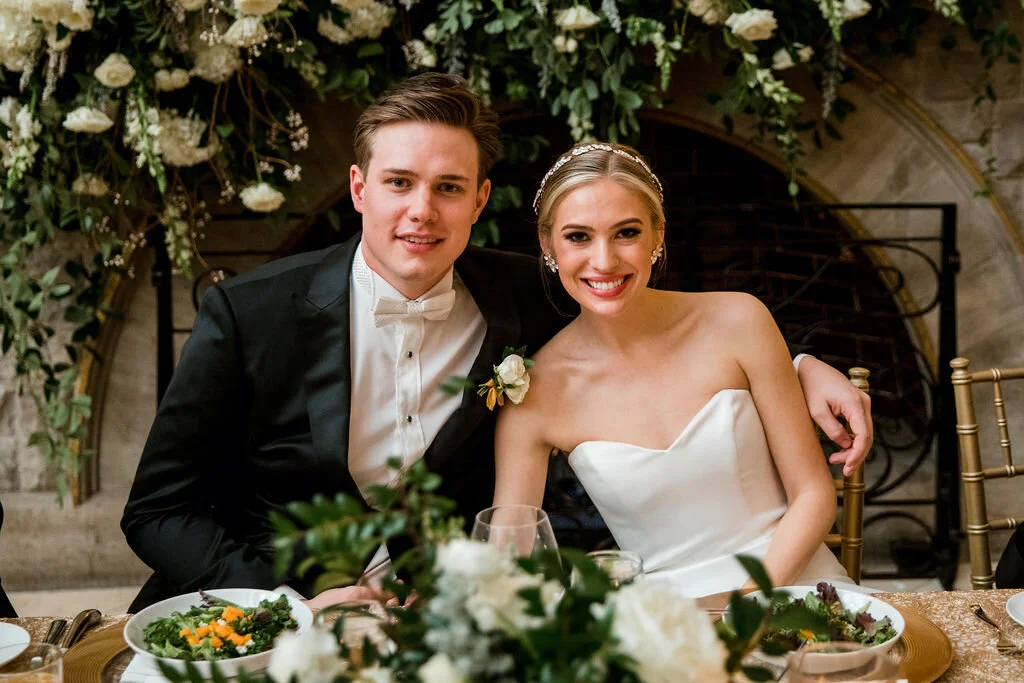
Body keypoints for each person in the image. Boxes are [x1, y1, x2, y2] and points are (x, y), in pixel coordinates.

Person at [122, 74, 870, 612]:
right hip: (269, 607)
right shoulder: (247, 315)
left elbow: (632, 312)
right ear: (358, 188)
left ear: (481, 199)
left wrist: (797, 363)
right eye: (399, 183)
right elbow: (156, 510)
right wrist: (294, 595)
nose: (422, 211)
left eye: (449, 187)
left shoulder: (522, 298)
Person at [493, 141, 854, 603]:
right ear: (548, 244)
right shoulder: (533, 390)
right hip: (665, 625)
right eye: (578, 237)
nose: (603, 261)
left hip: (794, 588)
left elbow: (814, 496)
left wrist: (746, 609)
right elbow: (511, 554)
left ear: (658, 234)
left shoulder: (739, 320)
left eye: (626, 233)